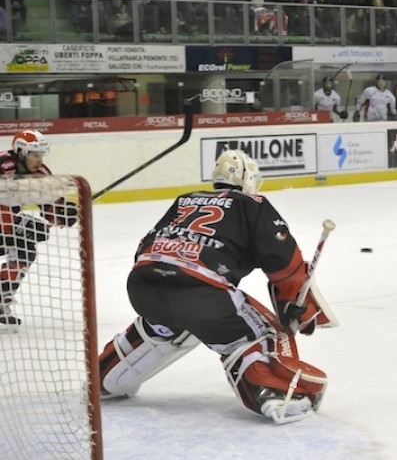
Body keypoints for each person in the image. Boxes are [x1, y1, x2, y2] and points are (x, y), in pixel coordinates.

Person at [98, 149, 337, 423]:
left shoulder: (184, 200)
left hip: (143, 286)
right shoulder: (253, 203)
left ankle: (104, 377)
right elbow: (284, 263)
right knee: (264, 332)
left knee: (163, 324)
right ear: (246, 178)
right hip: (202, 294)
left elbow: (145, 247)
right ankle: (274, 395)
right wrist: (299, 309)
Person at [0, 130, 78, 331]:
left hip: (5, 222)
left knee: (25, 250)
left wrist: (61, 213)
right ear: (21, 153)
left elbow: (49, 204)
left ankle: (1, 299)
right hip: (3, 220)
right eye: (35, 155)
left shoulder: (41, 173)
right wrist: (19, 227)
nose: (39, 159)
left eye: (42, 154)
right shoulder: (1, 165)